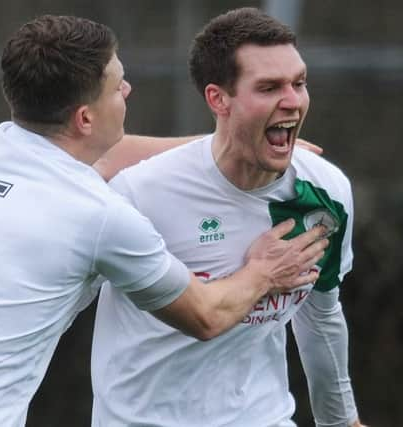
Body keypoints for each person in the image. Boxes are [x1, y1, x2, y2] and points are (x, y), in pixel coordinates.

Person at [0, 14, 328, 427]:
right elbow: (207, 315)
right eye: (116, 84)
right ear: (85, 117)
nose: (127, 90)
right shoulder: (98, 216)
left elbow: (104, 158)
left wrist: (218, 146)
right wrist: (264, 271)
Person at [91, 8, 366, 427]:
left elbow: (321, 317)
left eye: (299, 83)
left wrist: (341, 421)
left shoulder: (324, 191)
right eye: (270, 87)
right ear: (218, 99)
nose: (292, 101)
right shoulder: (140, 194)